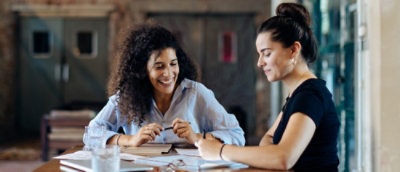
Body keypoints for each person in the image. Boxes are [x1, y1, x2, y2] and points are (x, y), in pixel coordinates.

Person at [196, 3, 340, 171]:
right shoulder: (297, 94)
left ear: (294, 50)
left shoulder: (310, 95)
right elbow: (269, 138)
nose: (260, 62)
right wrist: (273, 153)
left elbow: (283, 158)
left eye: (267, 53)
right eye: (260, 54)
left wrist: (221, 151)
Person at [86, 24, 245, 148]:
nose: (168, 74)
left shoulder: (196, 93)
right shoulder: (127, 97)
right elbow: (91, 133)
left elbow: (236, 135)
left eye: (173, 64)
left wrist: (197, 137)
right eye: (159, 66)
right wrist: (130, 140)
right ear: (143, 70)